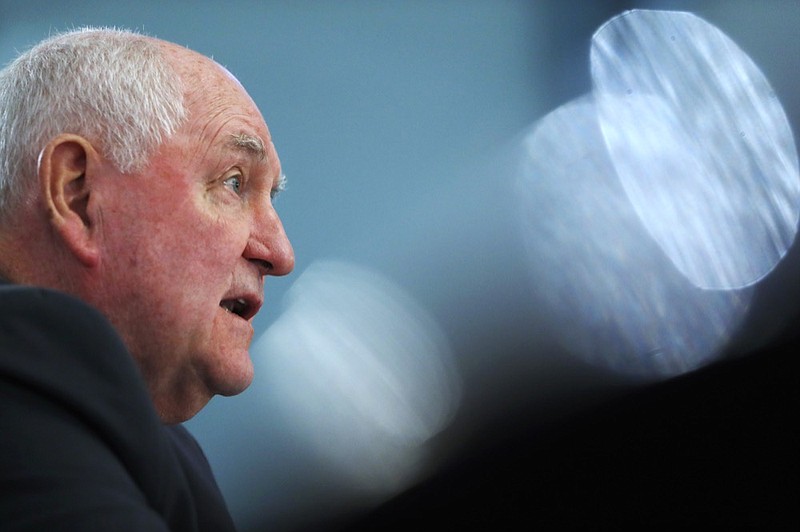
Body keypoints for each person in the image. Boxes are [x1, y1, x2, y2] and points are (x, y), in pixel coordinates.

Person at [0, 27, 294, 530]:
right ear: (77, 194)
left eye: (272, 198)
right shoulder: (22, 382)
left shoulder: (140, 442)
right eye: (234, 182)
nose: (280, 253)